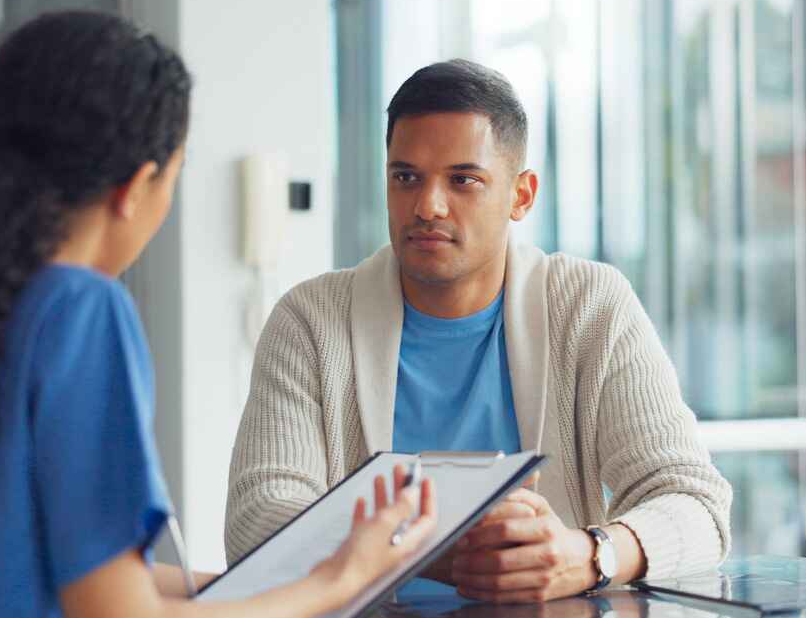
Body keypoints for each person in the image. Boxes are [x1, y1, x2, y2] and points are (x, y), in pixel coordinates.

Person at [0, 11, 435, 618]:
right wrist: (343, 580)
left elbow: (56, 568)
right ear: (136, 187)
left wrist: (270, 584)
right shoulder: (78, 311)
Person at [226, 59, 732, 605]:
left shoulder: (589, 306)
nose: (428, 206)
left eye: (463, 180)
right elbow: (258, 522)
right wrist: (438, 549)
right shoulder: (309, 320)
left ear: (522, 195)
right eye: (406, 178)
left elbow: (694, 504)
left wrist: (588, 556)